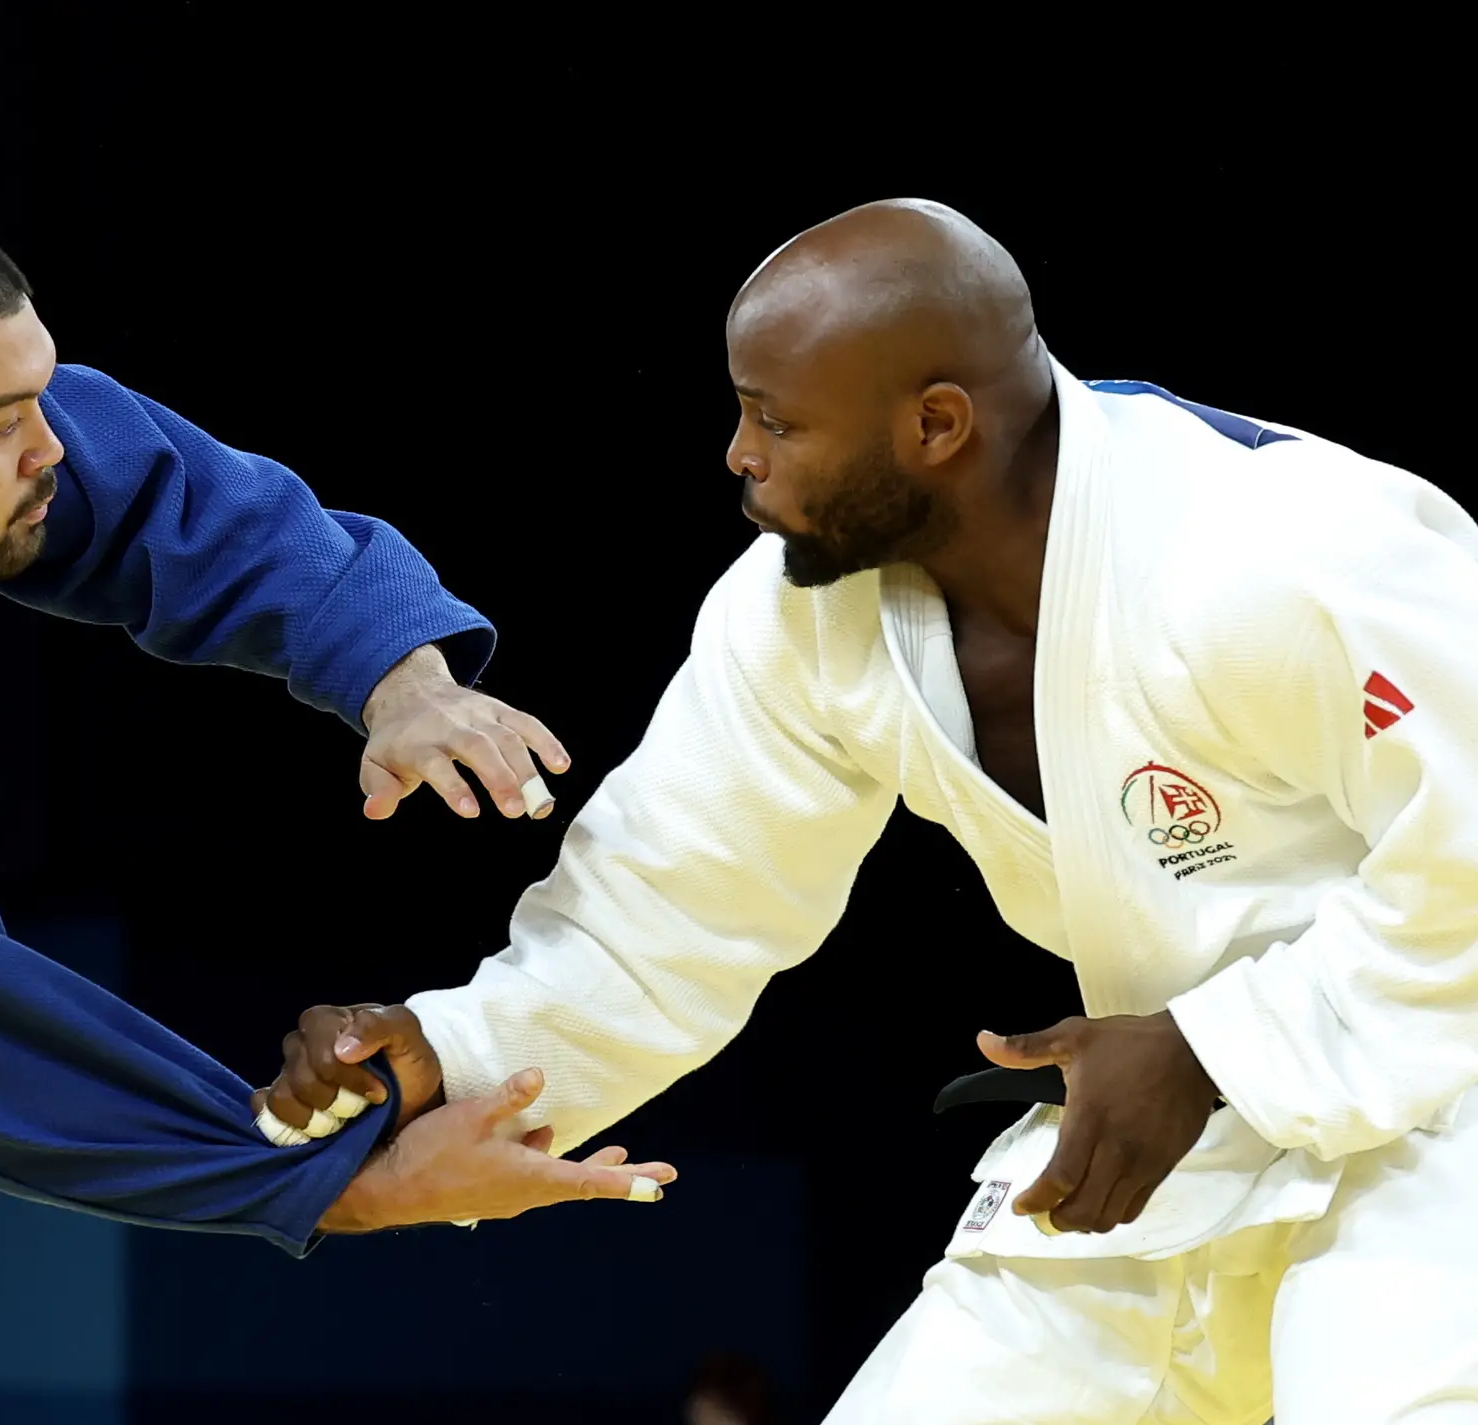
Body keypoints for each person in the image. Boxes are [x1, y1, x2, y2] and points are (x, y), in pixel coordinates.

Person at [257, 199, 1478, 1422]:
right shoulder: (801, 614)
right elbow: (673, 905)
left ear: (937, 425)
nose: (738, 454)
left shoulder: (1281, 547)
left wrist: (1220, 1046)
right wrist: (448, 1056)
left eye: (775, 420)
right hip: (1159, 1130)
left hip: (1441, 1109)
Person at [0, 201, 672, 1422]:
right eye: (2, 426)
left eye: (35, 394)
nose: (50, 447)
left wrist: (395, 673)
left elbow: (153, 496)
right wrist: (336, 1183)